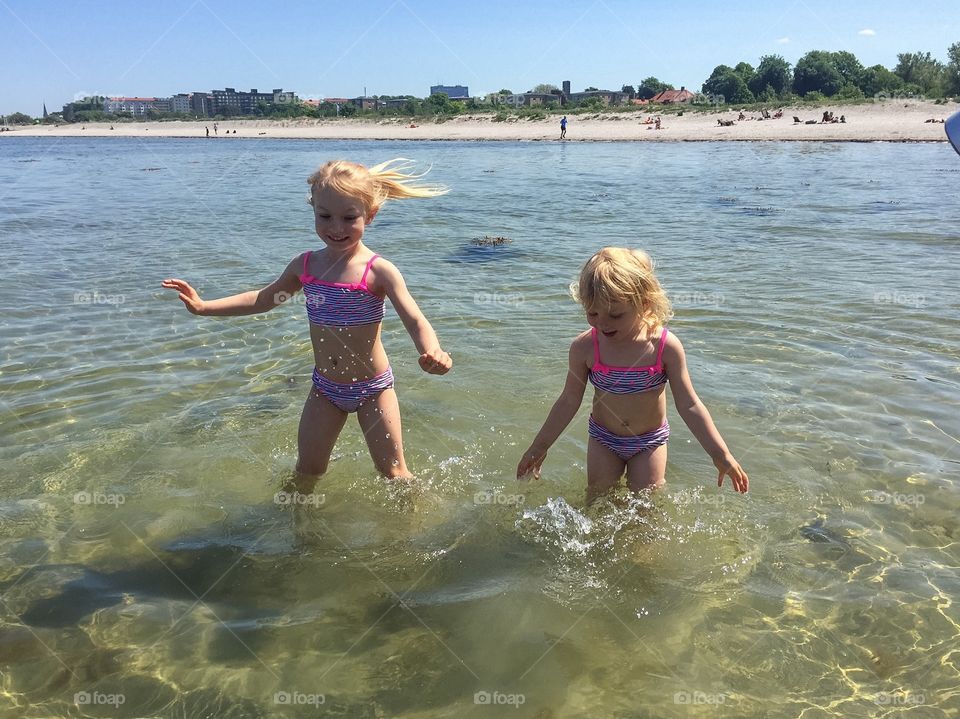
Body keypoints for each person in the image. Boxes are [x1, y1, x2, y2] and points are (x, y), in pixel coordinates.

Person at [161, 159, 453, 480]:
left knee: (394, 473)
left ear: (370, 215)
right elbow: (263, 299)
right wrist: (204, 307)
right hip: (325, 389)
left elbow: (414, 319)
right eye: (325, 216)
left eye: (349, 218)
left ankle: (419, 512)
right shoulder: (306, 266)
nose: (336, 228)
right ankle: (297, 512)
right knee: (307, 471)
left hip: (373, 389)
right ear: (313, 209)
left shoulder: (379, 271)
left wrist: (432, 351)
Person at [517, 247, 748, 500]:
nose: (602, 323)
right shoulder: (585, 347)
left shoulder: (664, 347)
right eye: (592, 313)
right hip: (604, 439)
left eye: (615, 315)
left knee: (646, 502)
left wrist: (720, 454)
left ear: (644, 303)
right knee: (597, 499)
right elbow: (568, 401)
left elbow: (689, 404)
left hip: (649, 442)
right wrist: (539, 446)